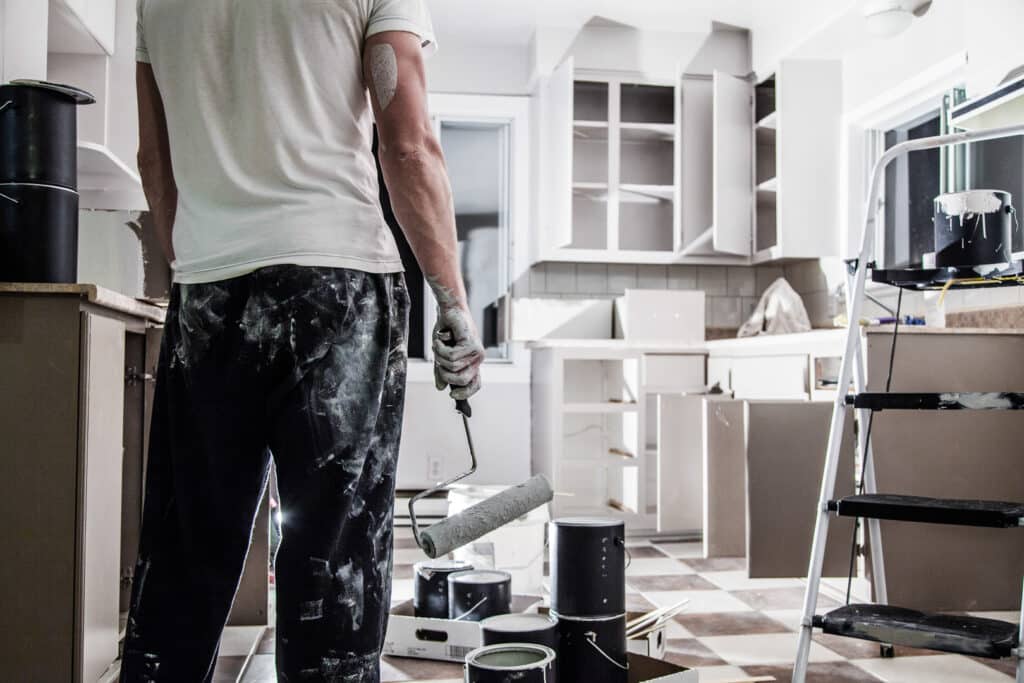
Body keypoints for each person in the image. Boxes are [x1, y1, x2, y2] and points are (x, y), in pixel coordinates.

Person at [122, 1, 484, 681]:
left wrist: (203, 267)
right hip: (337, 288)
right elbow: (407, 146)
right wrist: (453, 301)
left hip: (208, 293)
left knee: (184, 560)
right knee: (332, 570)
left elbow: (153, 161)